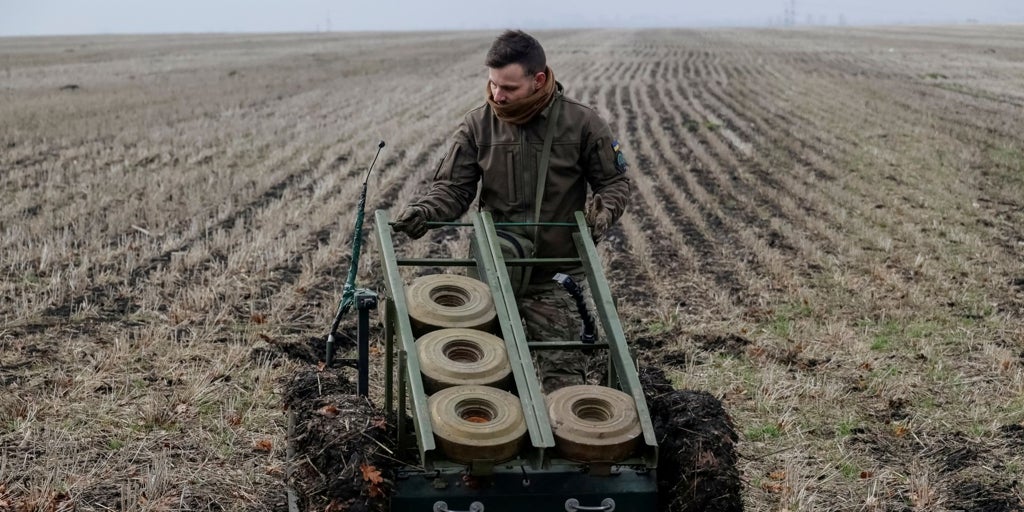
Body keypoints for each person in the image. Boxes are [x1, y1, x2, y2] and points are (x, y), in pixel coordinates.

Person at [392, 29, 631, 392]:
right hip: (493, 274)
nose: (498, 96)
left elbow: (614, 183)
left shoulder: (582, 123)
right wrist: (425, 211)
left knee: (565, 385)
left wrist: (605, 212)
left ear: (538, 80)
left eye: (509, 88)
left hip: (554, 277)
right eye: (493, 85)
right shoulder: (477, 124)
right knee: (478, 382)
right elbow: (454, 188)